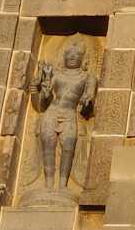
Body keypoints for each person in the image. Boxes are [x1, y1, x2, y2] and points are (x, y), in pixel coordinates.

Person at [31, 43, 98, 195]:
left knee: (68, 146)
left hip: (69, 113)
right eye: (69, 54)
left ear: (83, 59)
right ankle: (48, 185)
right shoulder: (57, 74)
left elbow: (90, 97)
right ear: (64, 57)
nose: (72, 57)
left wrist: (88, 101)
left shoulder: (88, 77)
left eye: (76, 55)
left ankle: (62, 185)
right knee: (48, 145)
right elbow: (44, 99)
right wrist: (43, 86)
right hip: (52, 112)